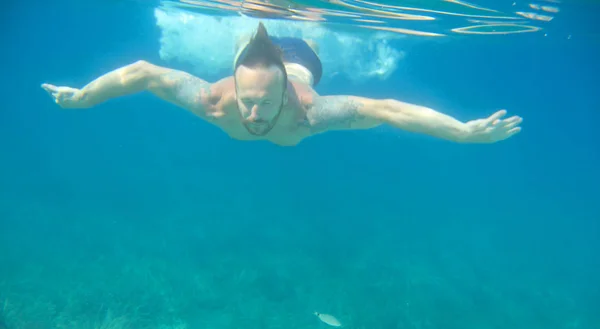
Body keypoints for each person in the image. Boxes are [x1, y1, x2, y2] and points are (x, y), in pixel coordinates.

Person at [41, 22, 522, 147]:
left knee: (302, 36)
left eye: (265, 104)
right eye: (247, 102)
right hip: (253, 54)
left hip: (301, 61)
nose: (253, 115)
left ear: (284, 99)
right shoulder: (212, 101)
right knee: (250, 27)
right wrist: (84, 98)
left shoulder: (309, 112)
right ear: (232, 84)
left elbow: (389, 109)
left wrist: (461, 131)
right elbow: (143, 72)